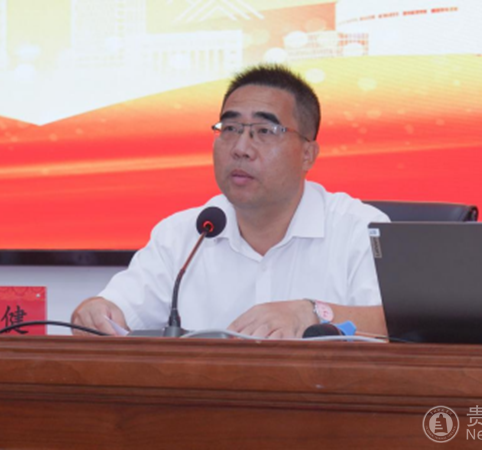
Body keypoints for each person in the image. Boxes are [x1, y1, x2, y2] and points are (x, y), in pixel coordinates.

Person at [72, 64, 389, 339]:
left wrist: (312, 312)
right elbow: (115, 310)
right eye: (231, 128)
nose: (240, 148)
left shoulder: (360, 229)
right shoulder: (183, 235)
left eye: (264, 131)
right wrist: (96, 312)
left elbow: (399, 325)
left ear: (308, 154)